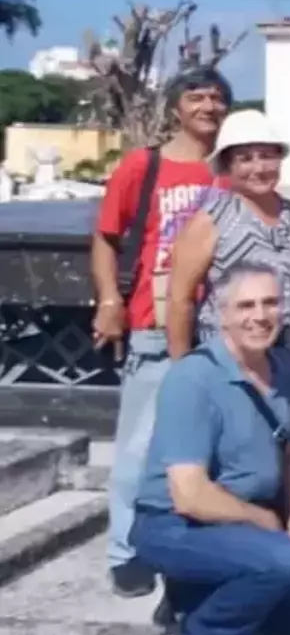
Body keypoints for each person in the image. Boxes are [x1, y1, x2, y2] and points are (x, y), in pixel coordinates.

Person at [131, 265, 290, 635]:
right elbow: (189, 494)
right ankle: (202, 634)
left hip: (240, 523)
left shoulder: (284, 367)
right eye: (245, 305)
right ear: (220, 314)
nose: (260, 315)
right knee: (279, 559)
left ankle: (197, 593)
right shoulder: (193, 379)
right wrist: (268, 524)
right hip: (174, 524)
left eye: (270, 303)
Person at [92, 66, 231, 597]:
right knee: (139, 448)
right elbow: (106, 236)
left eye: (217, 98)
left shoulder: (230, 168)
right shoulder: (143, 167)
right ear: (176, 106)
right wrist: (110, 300)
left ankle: (194, 545)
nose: (207, 107)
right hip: (153, 323)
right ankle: (126, 550)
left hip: (218, 326)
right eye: (196, 97)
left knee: (209, 450)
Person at [165, 112, 290, 383]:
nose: (258, 168)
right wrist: (183, 374)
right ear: (227, 166)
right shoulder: (211, 220)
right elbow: (179, 300)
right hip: (229, 367)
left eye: (267, 156)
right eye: (245, 159)